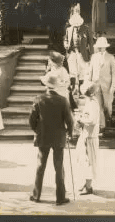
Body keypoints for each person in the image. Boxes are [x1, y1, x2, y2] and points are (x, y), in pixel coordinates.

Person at [29, 71, 74, 206]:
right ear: (56, 86)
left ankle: (36, 195)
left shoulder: (39, 99)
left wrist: (37, 130)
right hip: (58, 137)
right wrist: (69, 133)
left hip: (43, 137)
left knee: (40, 166)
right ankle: (60, 198)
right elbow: (69, 121)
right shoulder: (63, 100)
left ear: (46, 85)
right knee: (59, 167)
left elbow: (31, 120)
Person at [75, 81, 100, 196]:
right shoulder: (89, 102)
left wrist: (80, 120)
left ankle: (89, 187)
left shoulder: (93, 104)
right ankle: (86, 182)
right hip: (86, 134)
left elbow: (92, 120)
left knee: (88, 161)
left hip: (90, 136)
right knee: (83, 160)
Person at [87, 37, 115, 131]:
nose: (100, 48)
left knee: (107, 106)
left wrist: (113, 87)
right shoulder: (93, 57)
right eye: (99, 47)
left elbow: (114, 74)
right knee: (98, 106)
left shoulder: (111, 57)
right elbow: (90, 72)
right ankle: (102, 126)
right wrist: (89, 84)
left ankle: (109, 119)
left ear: (105, 47)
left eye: (102, 47)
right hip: (96, 86)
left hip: (107, 86)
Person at [64, 11, 94, 97]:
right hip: (72, 52)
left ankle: (81, 88)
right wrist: (65, 44)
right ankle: (73, 87)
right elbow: (66, 39)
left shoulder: (86, 28)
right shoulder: (68, 30)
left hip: (82, 53)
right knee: (72, 71)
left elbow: (91, 42)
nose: (76, 25)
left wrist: (91, 54)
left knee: (82, 71)